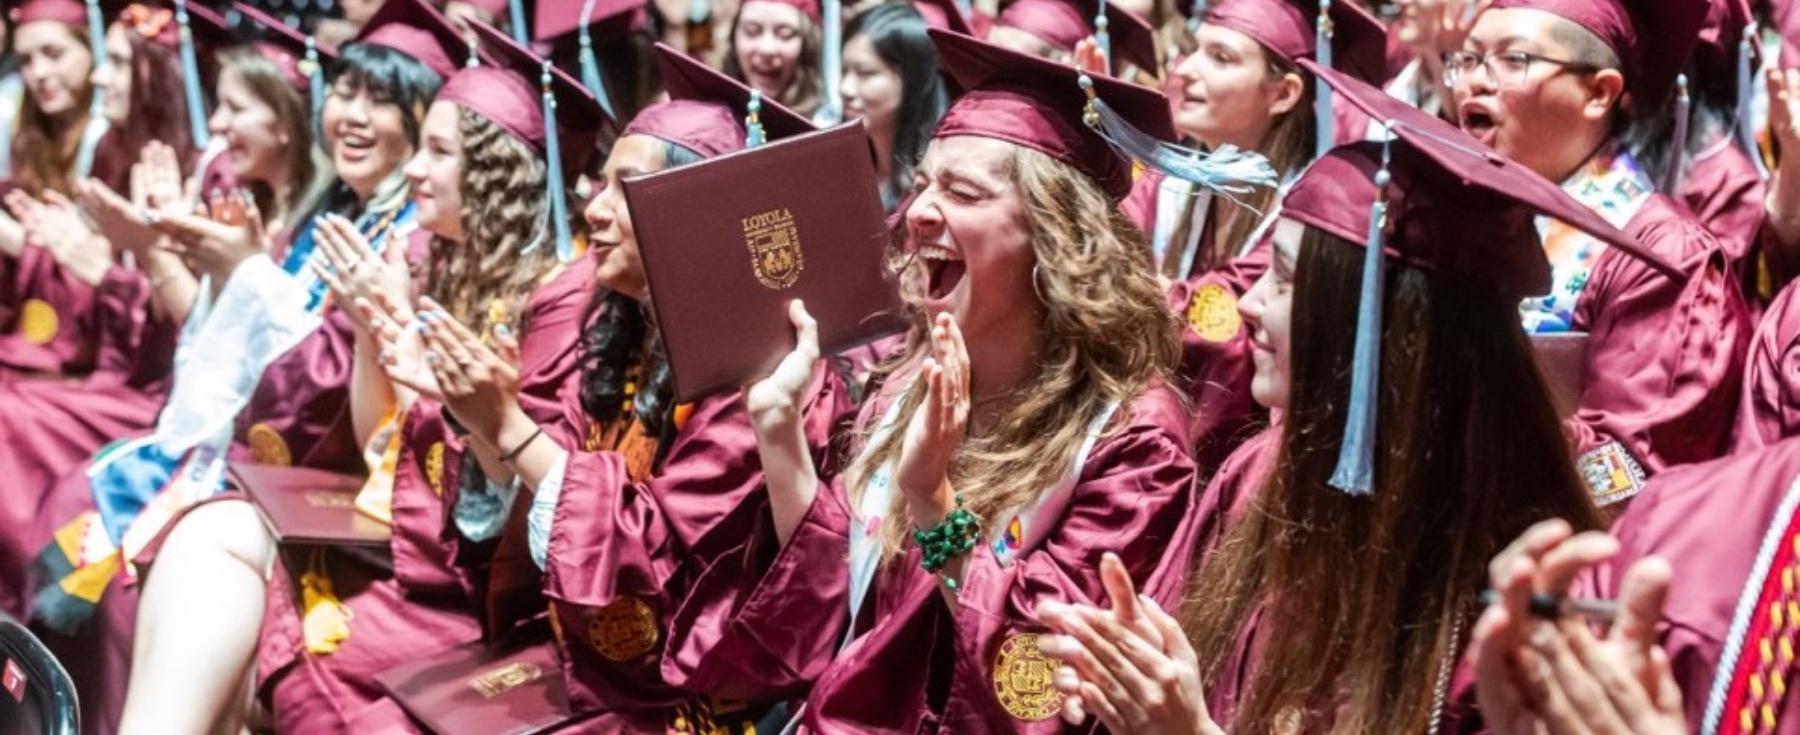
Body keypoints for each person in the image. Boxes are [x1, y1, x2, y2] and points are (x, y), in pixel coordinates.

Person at [1034, 64, 1627, 735]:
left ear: (1378, 329)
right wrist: (1119, 676)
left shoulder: (1513, 591)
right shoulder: (1257, 473)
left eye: (1282, 280)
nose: (1248, 305)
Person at [713, 29, 1202, 733]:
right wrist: (780, 431)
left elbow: (1040, 685)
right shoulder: (916, 378)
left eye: (964, 191)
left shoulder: (1131, 438)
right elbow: (833, 612)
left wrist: (934, 504)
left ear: (1057, 237)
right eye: (922, 184)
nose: (917, 212)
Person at [25, 3, 454, 732]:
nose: (349, 114)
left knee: (127, 557)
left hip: (344, 488)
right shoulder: (339, 211)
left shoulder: (409, 240)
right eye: (344, 91)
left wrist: (230, 269)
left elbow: (314, 390)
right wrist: (217, 265)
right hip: (261, 455)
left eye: (378, 99)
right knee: (82, 511)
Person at [0, 3, 330, 624]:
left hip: (173, 398)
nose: (101, 78)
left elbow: (171, 336)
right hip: (135, 376)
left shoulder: (222, 181)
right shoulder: (114, 154)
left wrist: (119, 263)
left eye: (120, 64)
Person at [1448, 0, 1751, 503]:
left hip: (1556, 561)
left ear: (1598, 92)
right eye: (1468, 59)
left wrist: (1449, 419)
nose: (1475, 82)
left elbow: (1632, 466)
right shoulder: (1448, 220)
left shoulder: (1662, 255)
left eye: (1513, 60)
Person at [1119, 0, 1384, 467]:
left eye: (1220, 58)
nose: (1186, 71)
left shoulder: (1311, 215)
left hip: (1251, 458)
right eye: (1192, 49)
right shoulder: (1169, 185)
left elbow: (1217, 318)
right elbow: (1104, 255)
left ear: (1282, 94)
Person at [841, 1, 945, 212]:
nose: (845, 89)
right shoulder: (845, 169)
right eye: (845, 71)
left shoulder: (934, 185)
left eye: (866, 73)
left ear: (912, 78)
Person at [721, 0, 822, 116]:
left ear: (808, 45)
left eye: (785, 34)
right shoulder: (709, 115)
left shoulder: (829, 124)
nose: (767, 49)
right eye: (752, 31)